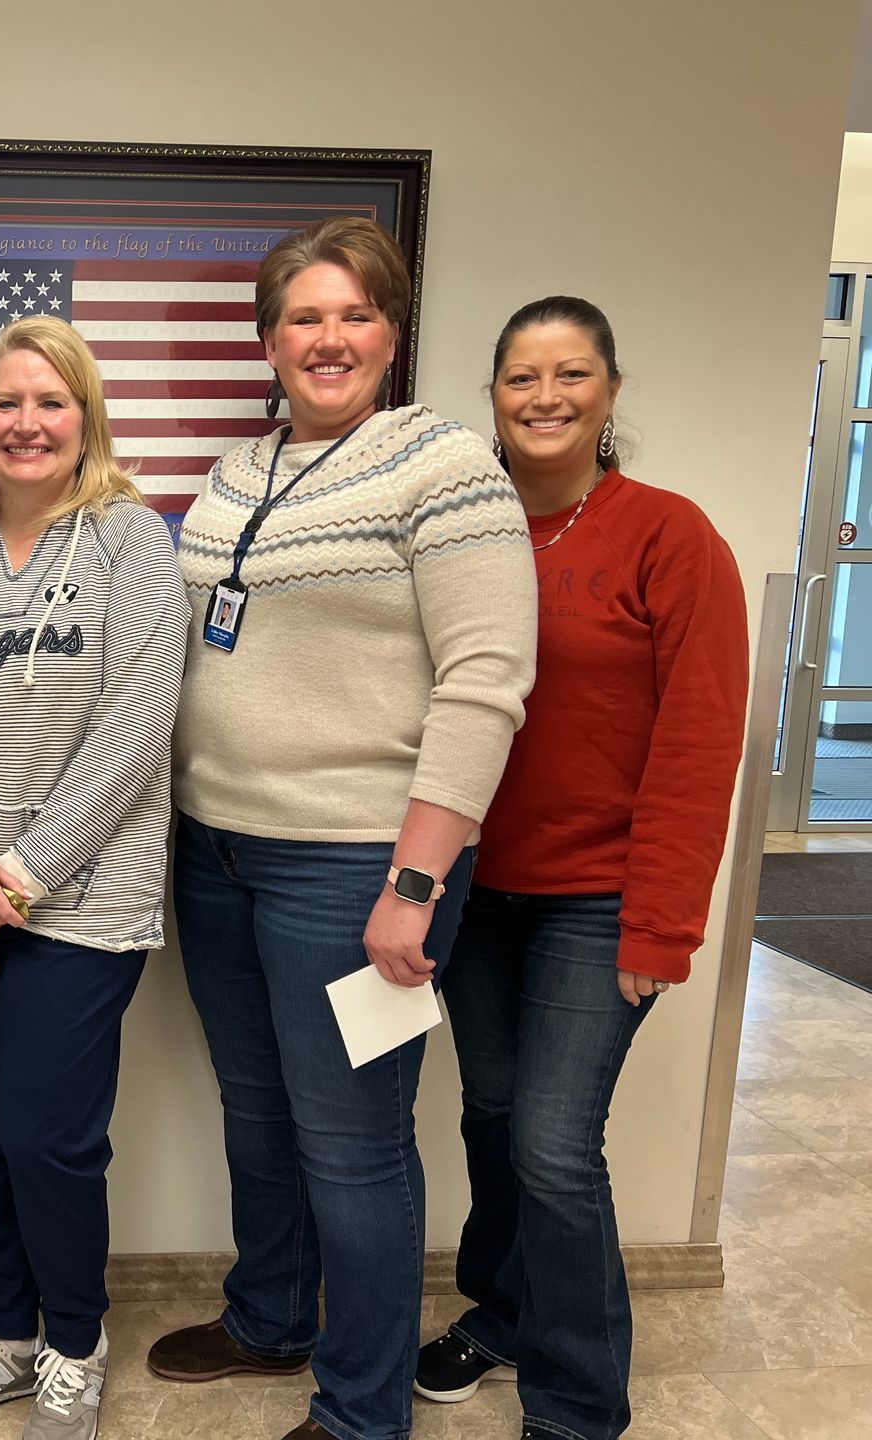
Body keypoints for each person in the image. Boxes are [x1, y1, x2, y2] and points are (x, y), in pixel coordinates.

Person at [148, 216, 539, 1440]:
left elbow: (486, 683)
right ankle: (272, 1318)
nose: (328, 338)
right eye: (303, 318)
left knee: (354, 1142)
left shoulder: (447, 467)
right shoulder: (236, 473)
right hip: (217, 852)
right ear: (267, 340)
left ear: (393, 330)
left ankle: (364, 1408)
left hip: (357, 864)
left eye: (354, 314)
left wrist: (415, 886)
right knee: (257, 1113)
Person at [414, 297, 748, 1440]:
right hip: (472, 893)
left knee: (555, 1145)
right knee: (492, 1119)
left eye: (570, 374)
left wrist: (662, 926)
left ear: (610, 390)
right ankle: (502, 1312)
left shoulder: (669, 536)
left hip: (599, 902)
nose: (545, 396)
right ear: (491, 395)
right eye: (520, 376)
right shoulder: (462, 529)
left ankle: (577, 1401)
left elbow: (700, 746)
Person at [0, 316, 190, 1440]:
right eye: (6, 402)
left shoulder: (132, 542)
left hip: (83, 893)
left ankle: (73, 1342)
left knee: (48, 1135)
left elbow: (136, 724)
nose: (27, 423)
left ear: (86, 417)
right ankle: (5, 1332)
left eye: (51, 401)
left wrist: (20, 870)